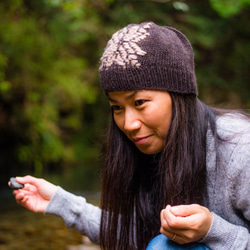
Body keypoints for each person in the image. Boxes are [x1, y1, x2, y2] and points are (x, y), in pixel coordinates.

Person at [10, 22, 250, 250]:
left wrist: (213, 230)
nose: (128, 124)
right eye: (117, 107)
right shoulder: (152, 148)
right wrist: (58, 201)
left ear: (179, 96)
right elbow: (133, 235)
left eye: (140, 102)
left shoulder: (240, 147)